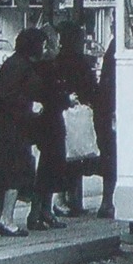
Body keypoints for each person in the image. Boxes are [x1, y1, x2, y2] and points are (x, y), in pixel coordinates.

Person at [0, 28, 45, 236]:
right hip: (15, 128)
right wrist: (31, 106)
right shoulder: (24, 67)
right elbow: (11, 97)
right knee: (14, 173)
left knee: (2, 175)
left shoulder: (11, 63)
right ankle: (7, 220)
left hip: (2, 126)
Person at [41, 22, 99, 225]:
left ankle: (64, 199)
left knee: (68, 155)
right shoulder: (81, 62)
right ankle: (69, 200)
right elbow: (91, 86)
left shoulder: (57, 61)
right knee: (75, 156)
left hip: (64, 111)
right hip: (76, 110)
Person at [93, 38, 118, 219]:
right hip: (112, 111)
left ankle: (107, 201)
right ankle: (108, 201)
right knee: (112, 157)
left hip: (106, 110)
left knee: (109, 156)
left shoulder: (111, 54)